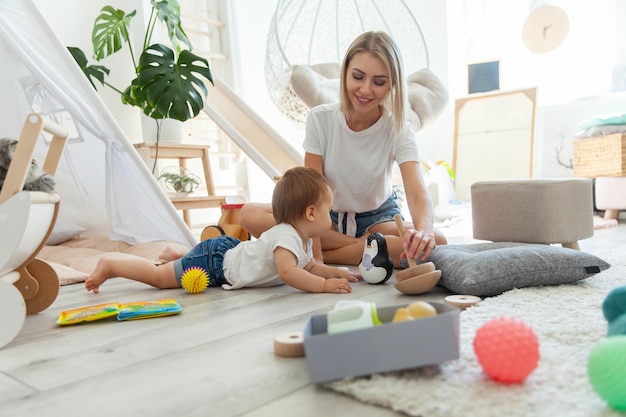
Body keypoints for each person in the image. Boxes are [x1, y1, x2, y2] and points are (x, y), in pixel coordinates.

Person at [239, 31, 447, 267]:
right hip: (325, 218)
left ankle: (325, 250)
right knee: (249, 214)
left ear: (392, 85)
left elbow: (417, 192)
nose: (366, 90)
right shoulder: (320, 119)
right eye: (358, 77)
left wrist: (424, 232)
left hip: (378, 218)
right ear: (345, 73)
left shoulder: (399, 128)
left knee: (436, 240)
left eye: (379, 82)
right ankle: (369, 248)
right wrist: (316, 259)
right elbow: (313, 196)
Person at [85, 167, 361, 294]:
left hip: (229, 251)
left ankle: (177, 254)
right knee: (159, 278)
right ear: (311, 213)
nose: (332, 215)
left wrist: (337, 272)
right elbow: (290, 273)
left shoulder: (302, 238)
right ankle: (111, 265)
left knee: (180, 263)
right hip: (215, 264)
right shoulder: (286, 236)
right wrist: (324, 286)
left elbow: (309, 267)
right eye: (329, 209)